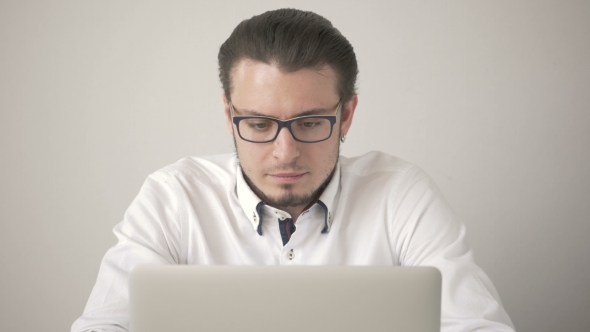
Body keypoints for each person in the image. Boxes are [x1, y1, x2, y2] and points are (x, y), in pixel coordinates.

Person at [72, 8, 514, 332]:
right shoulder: (172, 198)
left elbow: (480, 327)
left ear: (346, 116)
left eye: (309, 123)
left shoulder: (401, 196)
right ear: (229, 116)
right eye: (260, 124)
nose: (285, 153)